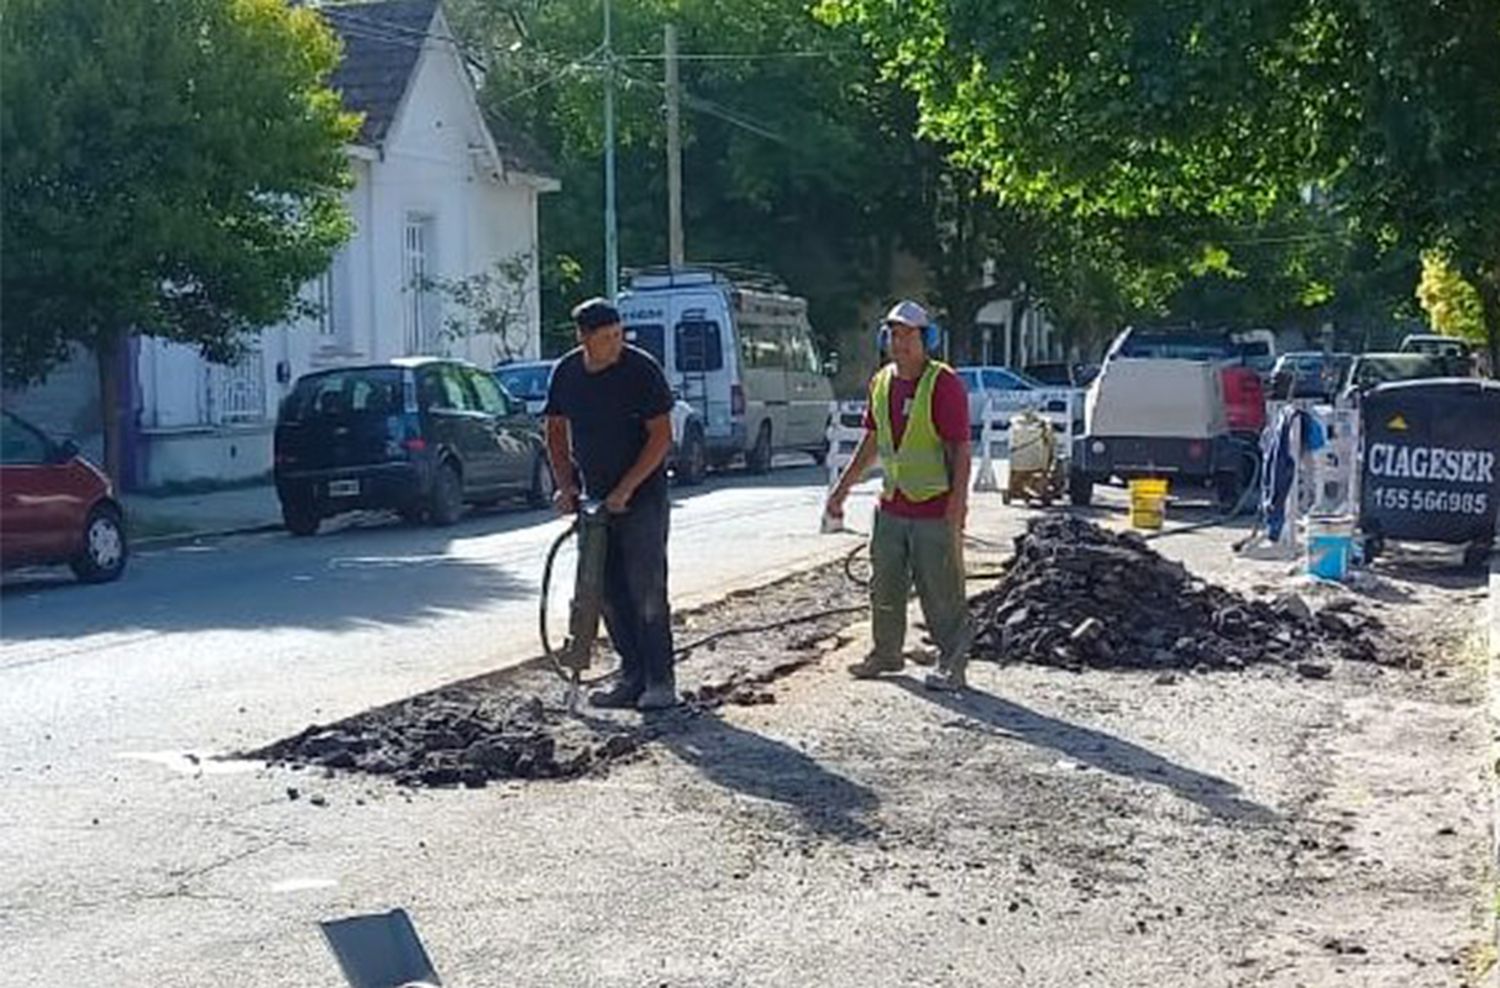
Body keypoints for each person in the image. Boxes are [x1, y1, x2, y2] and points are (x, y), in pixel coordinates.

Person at [825, 300, 973, 691]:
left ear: (926, 339)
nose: (900, 342)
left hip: (934, 506)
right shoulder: (881, 382)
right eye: (894, 333)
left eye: (908, 334)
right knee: (884, 585)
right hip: (892, 504)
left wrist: (957, 506)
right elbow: (872, 442)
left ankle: (952, 662)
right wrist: (842, 488)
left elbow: (960, 448)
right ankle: (886, 652)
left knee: (942, 590)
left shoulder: (943, 383)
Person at [544, 298, 679, 710]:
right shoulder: (567, 373)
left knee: (646, 588)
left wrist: (627, 488)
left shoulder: (641, 371)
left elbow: (661, 436)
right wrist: (566, 486)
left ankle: (660, 680)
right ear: (584, 338)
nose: (614, 344)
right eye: (605, 338)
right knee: (603, 590)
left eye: (618, 335)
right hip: (595, 499)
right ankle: (631, 675)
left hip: (643, 497)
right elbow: (554, 430)